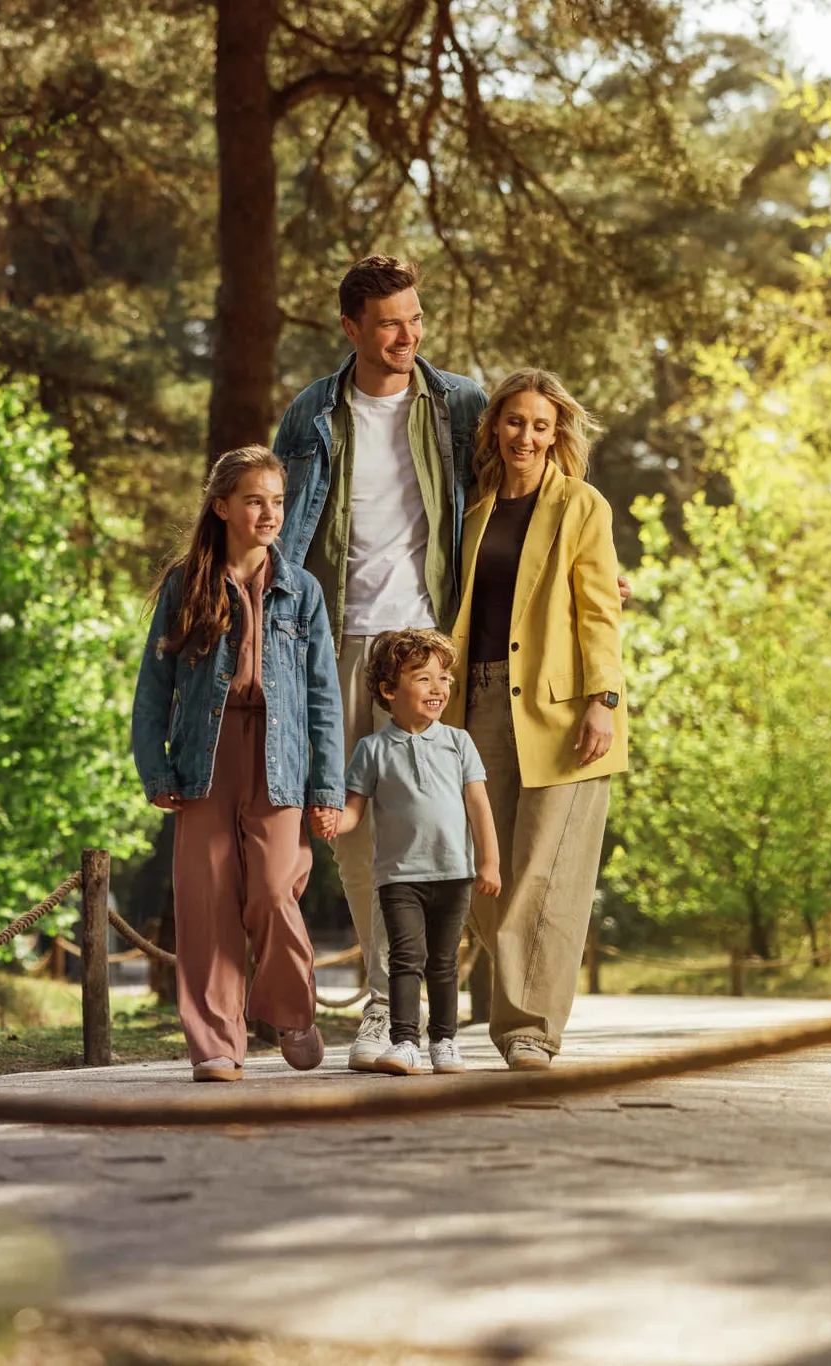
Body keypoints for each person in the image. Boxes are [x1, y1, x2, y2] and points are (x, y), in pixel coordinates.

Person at [271, 256, 489, 1070]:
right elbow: (278, 528)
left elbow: (523, 487)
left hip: (431, 639)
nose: (409, 335)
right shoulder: (312, 414)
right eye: (391, 322)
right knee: (355, 838)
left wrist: (592, 560)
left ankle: (432, 1015)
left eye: (416, 317)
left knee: (441, 831)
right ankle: (382, 1012)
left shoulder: (460, 403)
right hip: (338, 644)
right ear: (352, 328)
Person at [131, 445, 347, 1082]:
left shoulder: (300, 590)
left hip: (279, 758)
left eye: (277, 501)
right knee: (206, 901)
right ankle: (217, 1045)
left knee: (276, 890)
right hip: (204, 757)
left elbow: (322, 697)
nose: (269, 513)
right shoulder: (185, 585)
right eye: (255, 500)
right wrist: (155, 767)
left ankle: (290, 1008)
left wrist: (327, 786)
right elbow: (154, 686)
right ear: (222, 507)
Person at [444, 370, 628, 1071]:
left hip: (562, 709)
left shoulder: (582, 506)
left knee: (547, 873)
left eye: (541, 426)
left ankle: (530, 1029)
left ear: (558, 436)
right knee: (484, 872)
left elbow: (598, 612)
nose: (526, 435)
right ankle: (519, 1004)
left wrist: (602, 701)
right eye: (515, 421)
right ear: (494, 427)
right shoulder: (473, 510)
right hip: (478, 702)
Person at [327, 629, 501, 1075]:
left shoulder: (459, 742)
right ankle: (405, 1042)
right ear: (389, 690)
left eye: (444, 678)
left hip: (453, 874)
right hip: (399, 877)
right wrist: (332, 822)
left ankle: (444, 1041)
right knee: (404, 960)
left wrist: (489, 862)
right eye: (423, 679)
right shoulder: (371, 750)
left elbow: (479, 804)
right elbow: (353, 812)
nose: (439, 688)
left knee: (444, 963)